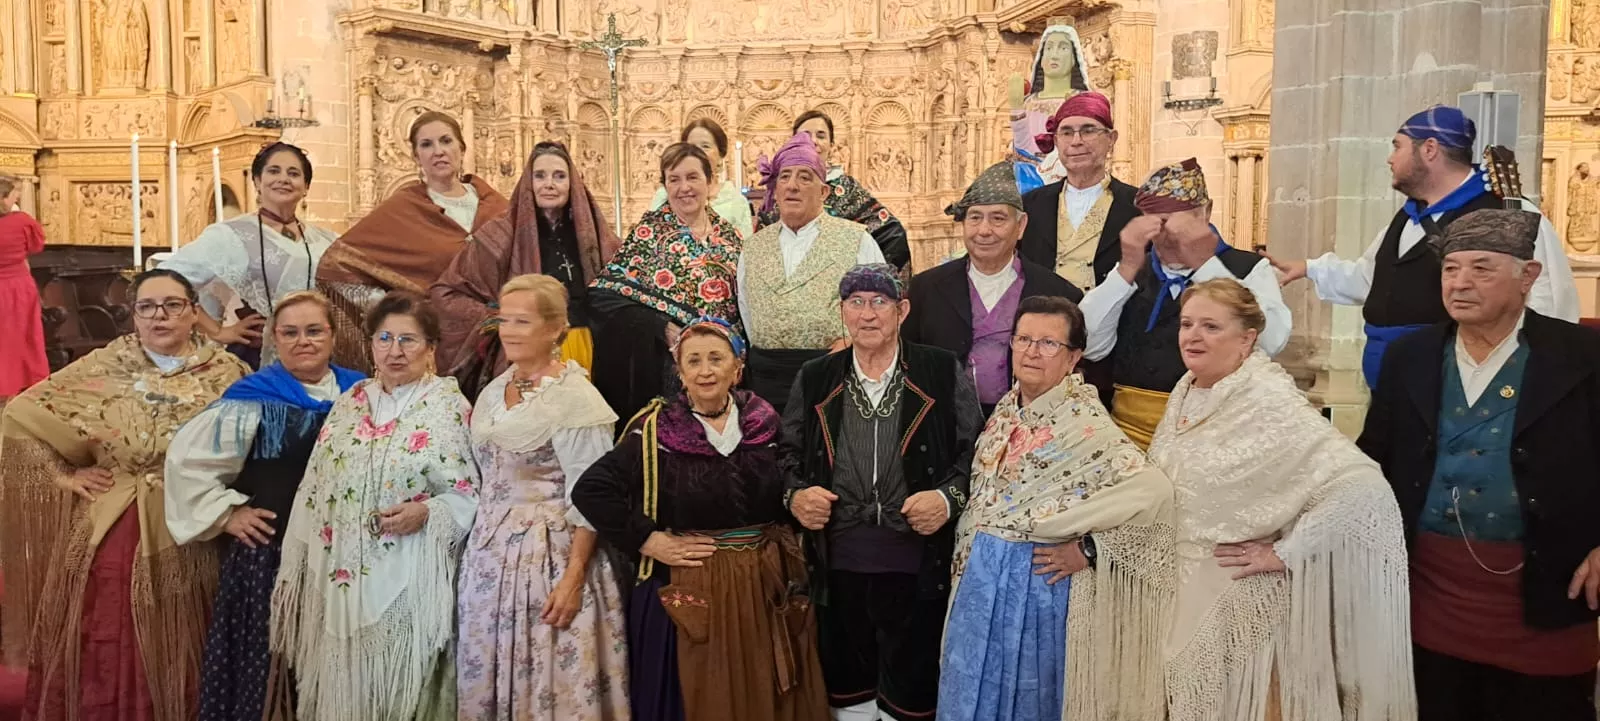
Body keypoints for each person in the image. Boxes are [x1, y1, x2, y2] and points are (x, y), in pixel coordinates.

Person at [1358, 209, 1600, 720]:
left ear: (1527, 276)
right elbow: (1369, 460)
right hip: (1431, 594)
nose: (1460, 283)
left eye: (1482, 269)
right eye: (1451, 269)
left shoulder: (1584, 356)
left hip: (1546, 592)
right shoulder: (1411, 356)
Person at [1150, 278, 1414, 721]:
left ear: (1247, 337)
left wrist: (1287, 552)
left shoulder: (1268, 398)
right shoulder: (1189, 388)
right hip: (1181, 591)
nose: (1193, 336)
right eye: (1187, 324)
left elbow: (1361, 486)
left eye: (1211, 327)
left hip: (1242, 608)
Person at [0, 269, 250, 721]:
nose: (160, 316)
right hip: (114, 526)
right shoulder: (103, 365)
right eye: (147, 307)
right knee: (107, 634)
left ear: (194, 313)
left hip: (196, 525)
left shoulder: (228, 372)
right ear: (132, 316)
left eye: (173, 305)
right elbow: (20, 414)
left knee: (187, 638)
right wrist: (64, 477)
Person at [573, 317, 828, 721]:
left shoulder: (765, 422)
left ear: (737, 367)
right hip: (695, 583)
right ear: (680, 371)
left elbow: (791, 478)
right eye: (693, 361)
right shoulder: (655, 430)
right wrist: (647, 539)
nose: (705, 370)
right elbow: (591, 490)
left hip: (764, 582)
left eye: (716, 358)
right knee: (703, 691)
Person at [940, 295, 1173, 721]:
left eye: (1049, 344)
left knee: (1028, 698)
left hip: (1036, 586)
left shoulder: (1085, 423)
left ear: (1074, 357)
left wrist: (1089, 550)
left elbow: (1154, 494)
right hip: (979, 578)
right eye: (1024, 339)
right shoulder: (1007, 409)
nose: (1032, 351)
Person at [783, 264, 983, 721]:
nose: (867, 314)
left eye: (879, 302)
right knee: (848, 690)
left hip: (917, 562)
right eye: (856, 302)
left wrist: (948, 498)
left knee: (911, 691)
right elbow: (785, 454)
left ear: (902, 310)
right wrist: (794, 496)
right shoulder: (816, 376)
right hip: (837, 562)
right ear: (842, 312)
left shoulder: (938, 368)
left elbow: (976, 451)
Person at [269, 290, 479, 721]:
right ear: (370, 344)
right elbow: (317, 483)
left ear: (431, 348)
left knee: (405, 690)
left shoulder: (447, 405)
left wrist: (429, 513)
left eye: (408, 340)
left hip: (413, 566)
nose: (395, 351)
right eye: (384, 339)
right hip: (341, 564)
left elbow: (471, 491)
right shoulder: (351, 401)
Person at [1267, 105, 1581, 391]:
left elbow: (1548, 297)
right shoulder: (1409, 216)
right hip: (1391, 374)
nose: (1391, 159)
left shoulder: (1507, 211)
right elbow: (1372, 278)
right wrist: (1309, 268)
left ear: (1429, 149)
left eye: (1397, 146)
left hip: (1452, 374)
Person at [163, 290, 364, 721]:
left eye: (314, 331)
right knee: (271, 668)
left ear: (332, 336)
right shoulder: (254, 397)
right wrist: (227, 513)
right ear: (275, 338)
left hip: (348, 555)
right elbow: (188, 462)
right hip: (272, 557)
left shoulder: (361, 392)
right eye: (290, 332)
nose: (302, 341)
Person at [457, 275, 629, 720]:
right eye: (504, 320)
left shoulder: (575, 398)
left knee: (551, 680)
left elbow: (592, 496)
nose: (509, 331)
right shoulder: (495, 388)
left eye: (522, 321)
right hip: (489, 558)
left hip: (551, 559)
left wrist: (572, 579)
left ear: (556, 328)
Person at [1078, 158, 1290, 448]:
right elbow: (1090, 344)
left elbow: (1271, 341)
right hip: (1128, 436)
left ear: (1207, 213)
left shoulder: (1247, 268)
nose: (1170, 235)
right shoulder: (1132, 270)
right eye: (1157, 223)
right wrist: (1126, 270)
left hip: (1214, 433)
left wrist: (1205, 265)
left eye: (1181, 222)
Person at [318, 110, 510, 372]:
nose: (438, 151)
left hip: (503, 340)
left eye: (446, 141)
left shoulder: (497, 206)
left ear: (462, 148)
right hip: (439, 347)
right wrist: (401, 308)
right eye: (426, 144)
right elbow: (337, 265)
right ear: (416, 156)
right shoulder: (403, 209)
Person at [431, 141, 619, 398]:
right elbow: (447, 293)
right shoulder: (499, 235)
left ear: (573, 183)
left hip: (589, 349)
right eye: (539, 175)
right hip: (526, 354)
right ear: (528, 183)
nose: (549, 184)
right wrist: (500, 319)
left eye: (559, 176)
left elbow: (623, 290)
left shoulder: (594, 236)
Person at [903, 161, 1081, 417]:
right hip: (943, 428)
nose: (984, 231)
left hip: (1030, 427)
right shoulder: (926, 288)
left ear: (1020, 226)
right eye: (975, 218)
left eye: (998, 219)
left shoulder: (1058, 293)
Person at [590, 142, 745, 426]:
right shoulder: (649, 232)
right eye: (674, 179)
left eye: (692, 177)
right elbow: (605, 296)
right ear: (665, 186)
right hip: (664, 367)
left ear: (710, 182)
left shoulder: (730, 236)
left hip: (722, 367)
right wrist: (661, 326)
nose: (684, 187)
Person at [739, 133, 885, 414]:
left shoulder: (856, 240)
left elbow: (882, 309)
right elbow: (747, 312)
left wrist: (855, 342)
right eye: (784, 177)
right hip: (766, 386)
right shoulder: (752, 247)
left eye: (805, 177)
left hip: (835, 379)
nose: (792, 186)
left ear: (824, 192)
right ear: (775, 189)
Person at [161, 142, 337, 367]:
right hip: (256, 358)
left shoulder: (325, 239)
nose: (283, 178)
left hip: (316, 354)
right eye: (273, 171)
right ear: (257, 181)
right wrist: (218, 331)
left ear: (306, 187)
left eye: (293, 173)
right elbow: (167, 279)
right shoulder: (231, 235)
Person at [1015, 92, 1139, 293]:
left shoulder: (1137, 205)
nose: (1076, 141)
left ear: (1111, 139)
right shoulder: (1030, 205)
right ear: (1056, 140)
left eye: (1088, 131)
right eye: (1066, 132)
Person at [758, 110, 910, 270]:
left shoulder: (848, 189)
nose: (814, 141)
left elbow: (891, 234)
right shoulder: (781, 189)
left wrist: (871, 279)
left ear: (831, 145)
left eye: (821, 135)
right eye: (806, 135)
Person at [1007, 24, 1092, 185]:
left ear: (1075, 58)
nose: (1054, 55)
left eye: (1063, 48)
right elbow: (1021, 148)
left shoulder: (1083, 100)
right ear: (1041, 58)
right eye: (1049, 48)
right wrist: (1016, 107)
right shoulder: (1029, 102)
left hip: (1073, 180)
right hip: (1030, 182)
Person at [649, 118, 755, 238]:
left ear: (721, 154)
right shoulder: (665, 195)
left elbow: (746, 249)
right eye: (691, 146)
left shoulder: (736, 201)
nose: (698, 152)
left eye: (705, 146)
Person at [0, 174, 48, 399]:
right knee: (24, 337)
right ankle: (24, 387)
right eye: (14, 194)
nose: (17, 197)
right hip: (18, 287)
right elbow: (36, 246)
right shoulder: (22, 221)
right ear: (4, 197)